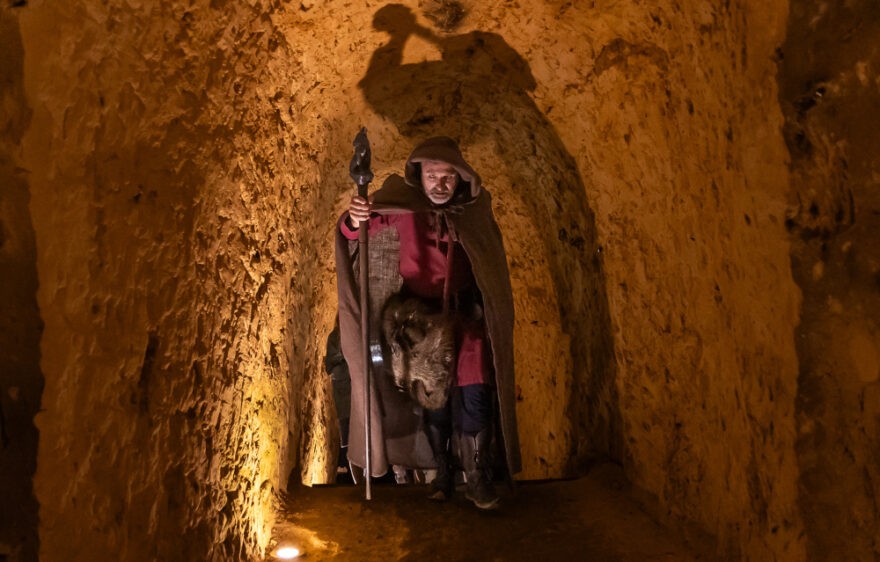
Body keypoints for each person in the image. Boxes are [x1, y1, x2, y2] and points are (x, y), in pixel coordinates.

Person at [334, 136, 520, 510]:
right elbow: (357, 230)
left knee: (475, 390)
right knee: (433, 397)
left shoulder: (474, 210)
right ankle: (445, 472)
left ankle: (479, 476)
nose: (440, 184)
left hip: (464, 318)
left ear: (459, 178)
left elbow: (491, 264)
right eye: (433, 175)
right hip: (419, 320)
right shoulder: (402, 204)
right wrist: (354, 218)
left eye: (447, 176)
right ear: (420, 177)